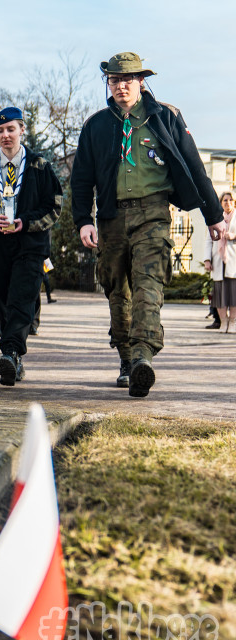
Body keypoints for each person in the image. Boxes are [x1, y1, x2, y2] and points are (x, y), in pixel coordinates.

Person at [73, 52, 224, 397]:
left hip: (153, 213)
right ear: (108, 83)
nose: (121, 85)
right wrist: (83, 220)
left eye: (128, 79)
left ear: (142, 82)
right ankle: (127, 358)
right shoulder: (96, 124)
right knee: (117, 291)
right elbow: (81, 178)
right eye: (114, 80)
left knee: (148, 284)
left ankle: (143, 357)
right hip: (110, 217)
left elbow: (194, 167)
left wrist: (213, 215)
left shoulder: (165, 117)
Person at [0, 107, 63, 386]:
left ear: (22, 130)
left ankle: (9, 352)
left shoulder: (40, 167)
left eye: (11, 129)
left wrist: (27, 222)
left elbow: (54, 207)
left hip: (29, 246)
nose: (6, 135)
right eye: (0, 130)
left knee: (22, 298)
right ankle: (14, 355)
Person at [204, 191, 236, 333]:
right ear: (220, 202)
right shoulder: (216, 218)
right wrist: (207, 260)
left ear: (234, 202)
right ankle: (223, 323)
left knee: (234, 295)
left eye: (230, 200)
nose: (227, 203)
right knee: (220, 295)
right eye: (225, 200)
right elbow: (208, 240)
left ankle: (233, 322)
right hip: (218, 261)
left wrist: (234, 235)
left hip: (233, 261)